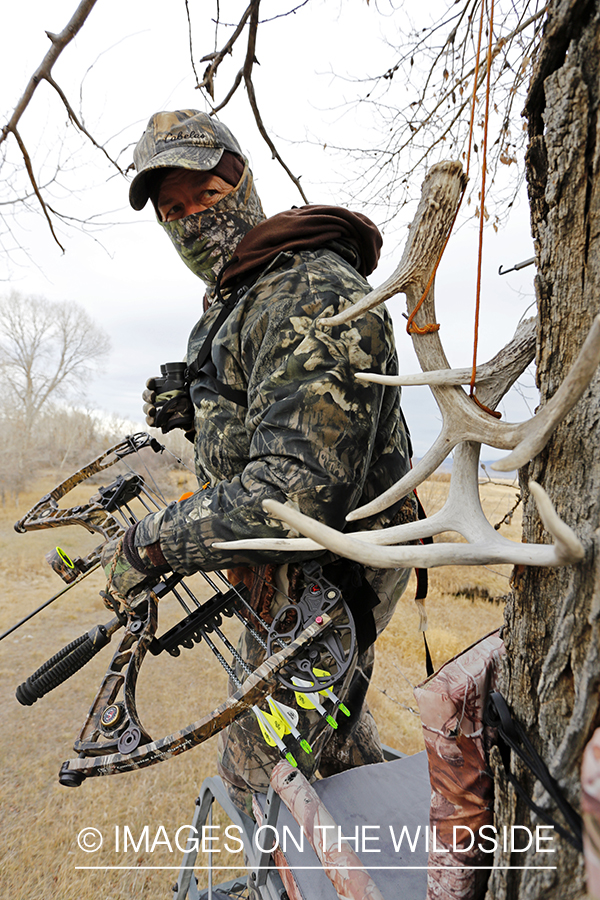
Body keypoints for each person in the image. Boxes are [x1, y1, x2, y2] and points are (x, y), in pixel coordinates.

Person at [102, 109, 416, 815]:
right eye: (172, 209)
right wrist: (197, 408)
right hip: (281, 582)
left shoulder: (306, 288)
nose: (192, 221)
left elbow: (295, 493)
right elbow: (259, 434)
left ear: (242, 182)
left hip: (328, 583)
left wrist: (153, 541)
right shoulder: (242, 295)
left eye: (207, 196)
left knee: (259, 783)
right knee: (335, 760)